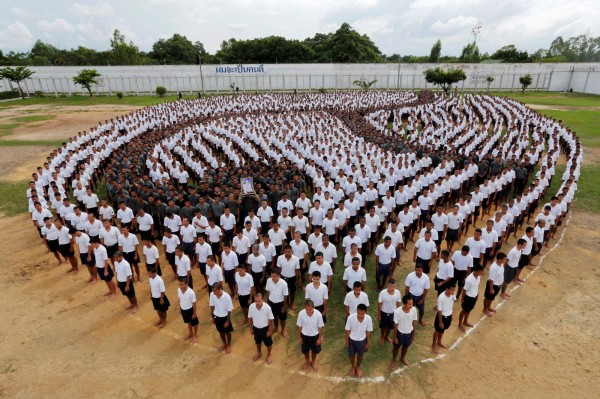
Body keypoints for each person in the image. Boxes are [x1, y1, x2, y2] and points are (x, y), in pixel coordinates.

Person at [345, 303, 373, 378]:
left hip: (362, 341)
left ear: (365, 311)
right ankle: (353, 367)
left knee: (360, 355)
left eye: (362, 313)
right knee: (351, 355)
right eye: (358, 313)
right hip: (351, 340)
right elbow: (347, 330)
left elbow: (368, 331)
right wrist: (347, 341)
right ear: (356, 311)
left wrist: (367, 343)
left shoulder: (369, 319)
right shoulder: (351, 317)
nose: (360, 315)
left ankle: (358, 367)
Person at [297, 299, 325, 372]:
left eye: (310, 309)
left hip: (315, 336)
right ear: (304, 308)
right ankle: (307, 361)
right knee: (305, 350)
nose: (308, 311)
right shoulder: (301, 314)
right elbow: (299, 326)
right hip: (304, 336)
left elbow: (320, 327)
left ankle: (313, 361)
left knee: (314, 351)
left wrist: (319, 338)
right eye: (307, 309)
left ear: (313, 307)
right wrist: (299, 337)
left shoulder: (318, 314)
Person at [390, 295, 417, 368]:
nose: (411, 305)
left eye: (412, 303)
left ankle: (402, 358)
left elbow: (414, 322)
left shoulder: (414, 310)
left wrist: (413, 334)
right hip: (400, 334)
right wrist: (395, 337)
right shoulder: (397, 312)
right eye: (409, 304)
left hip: (409, 333)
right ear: (404, 304)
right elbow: (395, 325)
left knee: (406, 347)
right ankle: (393, 359)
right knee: (396, 348)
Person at [248, 293, 275, 364]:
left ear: (262, 300)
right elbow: (250, 318)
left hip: (265, 329)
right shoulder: (251, 306)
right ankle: (259, 353)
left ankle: (269, 354)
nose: (257, 303)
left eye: (258, 301)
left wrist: (269, 330)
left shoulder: (267, 308)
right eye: (255, 301)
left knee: (268, 343)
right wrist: (251, 328)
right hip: (256, 328)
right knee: (258, 342)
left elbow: (270, 319)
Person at [210, 282, 234, 354]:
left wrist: (227, 321)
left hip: (225, 317)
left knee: (228, 332)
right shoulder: (212, 294)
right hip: (217, 317)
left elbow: (229, 310)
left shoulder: (227, 297)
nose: (214, 293)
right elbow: (212, 305)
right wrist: (213, 317)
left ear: (219, 289)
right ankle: (224, 343)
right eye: (213, 291)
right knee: (220, 331)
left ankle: (229, 344)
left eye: (215, 291)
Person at [432, 283, 456, 354]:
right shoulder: (441, 297)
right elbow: (439, 311)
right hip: (441, 317)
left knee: (442, 330)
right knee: (437, 331)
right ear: (447, 289)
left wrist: (451, 315)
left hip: (448, 316)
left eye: (454, 290)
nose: (453, 292)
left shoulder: (452, 294)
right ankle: (433, 345)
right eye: (452, 290)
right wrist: (440, 322)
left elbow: (451, 304)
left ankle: (439, 342)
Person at [458, 265, 483, 332]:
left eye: (481, 272)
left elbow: (476, 286)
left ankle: (465, 321)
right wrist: (462, 298)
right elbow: (464, 289)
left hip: (474, 297)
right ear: (475, 271)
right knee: (464, 310)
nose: (481, 274)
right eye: (479, 272)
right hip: (468, 297)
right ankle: (460, 324)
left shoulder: (478, 277)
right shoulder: (469, 279)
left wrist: (477, 294)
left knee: (469, 310)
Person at [265, 268, 289, 337]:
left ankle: (283, 329)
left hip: (280, 303)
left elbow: (285, 295)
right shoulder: (269, 280)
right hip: (271, 302)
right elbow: (268, 291)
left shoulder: (283, 284)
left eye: (274, 276)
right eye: (271, 276)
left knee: (282, 318)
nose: (272, 278)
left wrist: (284, 306)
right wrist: (267, 301)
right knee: (274, 316)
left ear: (279, 275)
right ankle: (276, 327)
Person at [378, 279, 401, 345]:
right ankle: (382, 336)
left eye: (394, 286)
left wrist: (398, 314)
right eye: (391, 286)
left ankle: (386, 336)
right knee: (383, 327)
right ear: (388, 285)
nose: (392, 288)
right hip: (384, 313)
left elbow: (398, 303)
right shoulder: (382, 293)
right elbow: (380, 304)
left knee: (390, 327)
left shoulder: (398, 292)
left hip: (393, 314)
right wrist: (379, 315)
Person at [483, 252, 507, 316]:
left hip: (498, 285)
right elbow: (491, 279)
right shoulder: (494, 268)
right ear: (499, 260)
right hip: (493, 285)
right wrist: (491, 289)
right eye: (504, 259)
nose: (505, 260)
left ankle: (489, 307)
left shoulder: (501, 264)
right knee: (488, 298)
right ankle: (485, 309)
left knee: (492, 297)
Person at [178, 277, 199, 343]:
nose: (180, 286)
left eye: (182, 285)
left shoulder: (191, 292)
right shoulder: (178, 290)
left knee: (194, 323)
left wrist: (194, 313)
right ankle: (190, 333)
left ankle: (195, 335)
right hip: (183, 309)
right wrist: (180, 308)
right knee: (188, 321)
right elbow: (180, 299)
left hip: (190, 310)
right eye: (179, 285)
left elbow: (194, 303)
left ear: (186, 284)